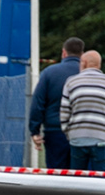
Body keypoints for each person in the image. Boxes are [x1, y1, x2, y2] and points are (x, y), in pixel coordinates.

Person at [59, 51, 105, 172]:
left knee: (77, 178)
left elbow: (64, 111)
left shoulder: (71, 82)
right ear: (99, 64)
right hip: (102, 137)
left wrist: (68, 133)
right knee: (100, 178)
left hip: (77, 136)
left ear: (84, 63)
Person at [29, 37, 85, 169]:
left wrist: (35, 131)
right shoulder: (87, 74)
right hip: (83, 132)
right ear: (82, 54)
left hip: (55, 131)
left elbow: (38, 103)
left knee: (57, 174)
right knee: (81, 175)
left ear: (64, 52)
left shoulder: (49, 73)